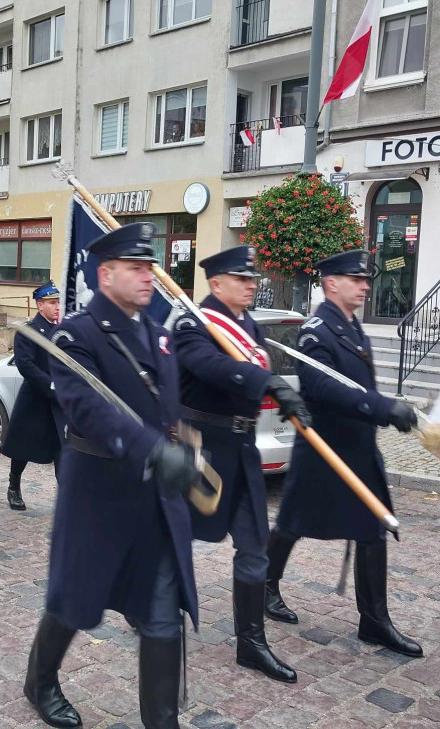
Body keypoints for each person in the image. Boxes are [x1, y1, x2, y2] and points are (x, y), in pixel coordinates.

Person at [25, 223, 203, 729]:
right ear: (106, 274)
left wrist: (185, 443)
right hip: (99, 494)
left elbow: (167, 406)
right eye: (137, 268)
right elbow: (88, 410)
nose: (150, 277)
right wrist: (154, 450)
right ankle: (40, 680)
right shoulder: (75, 334)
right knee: (74, 601)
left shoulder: (160, 333)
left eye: (151, 267)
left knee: (162, 614)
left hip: (156, 500)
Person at [267, 249, 423, 658]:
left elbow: (360, 386)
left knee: (372, 528)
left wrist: (382, 408)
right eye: (357, 279)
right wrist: (382, 407)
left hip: (358, 447)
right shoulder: (316, 331)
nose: (366, 285)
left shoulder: (353, 328)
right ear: (331, 282)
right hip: (324, 450)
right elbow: (323, 389)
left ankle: (374, 621)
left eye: (366, 278)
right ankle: (265, 586)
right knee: (292, 522)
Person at [173, 246, 311, 683]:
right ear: (216, 284)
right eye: (242, 279)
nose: (252, 285)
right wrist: (266, 381)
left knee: (254, 546)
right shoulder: (192, 324)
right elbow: (208, 365)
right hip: (200, 447)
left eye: (253, 279)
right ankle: (152, 602)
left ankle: (251, 644)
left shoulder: (247, 324)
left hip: (243, 447)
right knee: (173, 535)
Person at [0, 281, 62, 510]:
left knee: (62, 449)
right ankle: (14, 485)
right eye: (52, 303)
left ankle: (66, 495)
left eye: (58, 302)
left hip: (57, 402)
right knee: (23, 448)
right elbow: (26, 365)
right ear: (40, 305)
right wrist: (52, 385)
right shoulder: (29, 332)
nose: (57, 307)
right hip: (35, 398)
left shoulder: (62, 332)